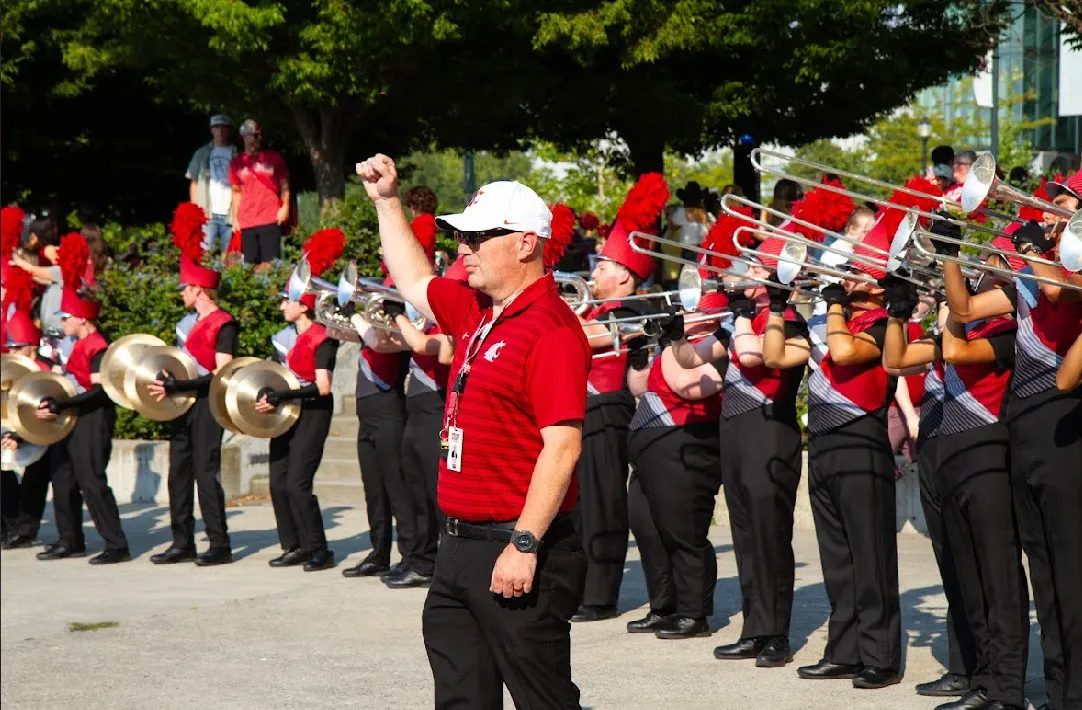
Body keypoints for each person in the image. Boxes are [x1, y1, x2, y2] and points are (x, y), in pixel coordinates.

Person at [357, 154, 591, 709]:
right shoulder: (478, 310)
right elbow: (414, 279)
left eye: (478, 237)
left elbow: (563, 446)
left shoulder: (551, 328)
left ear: (524, 243)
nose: (463, 247)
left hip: (517, 545)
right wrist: (387, 201)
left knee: (544, 700)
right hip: (458, 544)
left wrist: (524, 544)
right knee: (462, 699)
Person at [942, 172, 1082, 710]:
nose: (1048, 211)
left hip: (1063, 420)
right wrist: (950, 254)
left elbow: (1058, 290)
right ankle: (1058, 690)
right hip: (1022, 423)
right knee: (1042, 569)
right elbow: (966, 311)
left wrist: (1030, 248)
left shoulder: (1067, 269)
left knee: (1070, 569)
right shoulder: (1035, 267)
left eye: (1062, 204)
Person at [882, 259, 1030, 710]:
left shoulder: (1006, 331)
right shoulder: (965, 331)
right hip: (944, 455)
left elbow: (960, 353)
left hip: (986, 453)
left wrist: (951, 304)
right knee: (963, 572)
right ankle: (978, 675)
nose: (980, 272)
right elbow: (896, 359)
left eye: (989, 270)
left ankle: (1004, 687)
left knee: (998, 576)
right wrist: (896, 313)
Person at [672, 257, 811, 665]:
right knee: (746, 535)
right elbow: (689, 360)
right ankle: (754, 629)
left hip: (769, 428)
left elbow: (754, 359)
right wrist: (675, 335)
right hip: (734, 430)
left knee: (769, 536)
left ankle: (776, 635)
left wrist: (743, 317)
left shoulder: (787, 321)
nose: (736, 277)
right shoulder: (737, 322)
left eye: (749, 270)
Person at [793, 223, 901, 688]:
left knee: (870, 555)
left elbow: (842, 351)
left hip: (861, 441)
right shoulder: (838, 317)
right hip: (824, 441)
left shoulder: (880, 323)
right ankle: (844, 649)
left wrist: (834, 303)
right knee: (837, 556)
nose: (850, 276)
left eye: (860, 270)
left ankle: (880, 655)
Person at [571, 189, 665, 624]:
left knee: (602, 501)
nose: (595, 271)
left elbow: (588, 343)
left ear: (626, 275)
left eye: (604, 266)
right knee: (579, 503)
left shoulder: (630, 308)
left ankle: (601, 592)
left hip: (608, 410)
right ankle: (581, 586)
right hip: (580, 409)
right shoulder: (594, 307)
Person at [623, 293, 726, 640]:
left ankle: (693, 613)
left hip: (685, 449)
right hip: (649, 454)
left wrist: (672, 345)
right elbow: (642, 388)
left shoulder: (711, 349)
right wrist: (639, 358)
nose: (683, 314)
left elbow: (691, 387)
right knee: (647, 528)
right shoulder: (677, 349)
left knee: (683, 532)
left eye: (692, 310)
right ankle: (662, 605)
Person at [146, 203, 237, 566]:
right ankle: (182, 541)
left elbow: (221, 374)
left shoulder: (224, 324)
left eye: (186, 287)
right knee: (178, 473)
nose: (181, 292)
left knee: (205, 471)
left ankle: (219, 544)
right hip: (180, 403)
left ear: (199, 289)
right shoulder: (186, 324)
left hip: (206, 405)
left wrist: (179, 388)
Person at [258, 230, 344, 572]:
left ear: (303, 305)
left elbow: (321, 387)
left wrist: (284, 395)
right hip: (285, 412)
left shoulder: (325, 338)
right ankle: (292, 545)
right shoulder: (282, 338)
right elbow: (272, 376)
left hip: (313, 412)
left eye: (286, 300)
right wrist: (267, 396)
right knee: (277, 483)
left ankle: (318, 549)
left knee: (297, 483)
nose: (281, 305)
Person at [35, 286, 131, 564]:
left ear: (82, 319)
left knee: (91, 480)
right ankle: (70, 540)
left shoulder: (99, 346)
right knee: (62, 478)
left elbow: (101, 391)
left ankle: (116, 544)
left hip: (93, 416)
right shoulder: (69, 344)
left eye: (66, 318)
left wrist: (63, 405)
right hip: (71, 414)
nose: (62, 323)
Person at [339, 296, 414, 580]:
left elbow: (378, 343)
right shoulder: (372, 328)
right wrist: (344, 315)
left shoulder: (396, 331)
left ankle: (409, 555)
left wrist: (355, 314)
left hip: (388, 411)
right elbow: (342, 333)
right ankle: (378, 553)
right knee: (374, 492)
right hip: (367, 416)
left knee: (397, 489)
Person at [229, 119, 289, 271]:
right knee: (250, 266)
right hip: (247, 220)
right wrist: (235, 219)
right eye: (254, 135)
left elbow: (284, 185)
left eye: (260, 135)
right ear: (244, 137)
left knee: (271, 264)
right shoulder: (236, 163)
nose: (258, 139)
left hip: (269, 217)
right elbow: (236, 192)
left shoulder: (273, 158)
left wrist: (285, 207)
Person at [186, 114, 238, 253]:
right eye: (216, 127)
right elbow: (194, 182)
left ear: (229, 130)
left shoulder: (237, 154)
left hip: (231, 215)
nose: (220, 131)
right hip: (208, 213)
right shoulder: (201, 153)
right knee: (204, 254)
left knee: (231, 258)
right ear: (211, 130)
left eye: (223, 128)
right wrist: (194, 211)